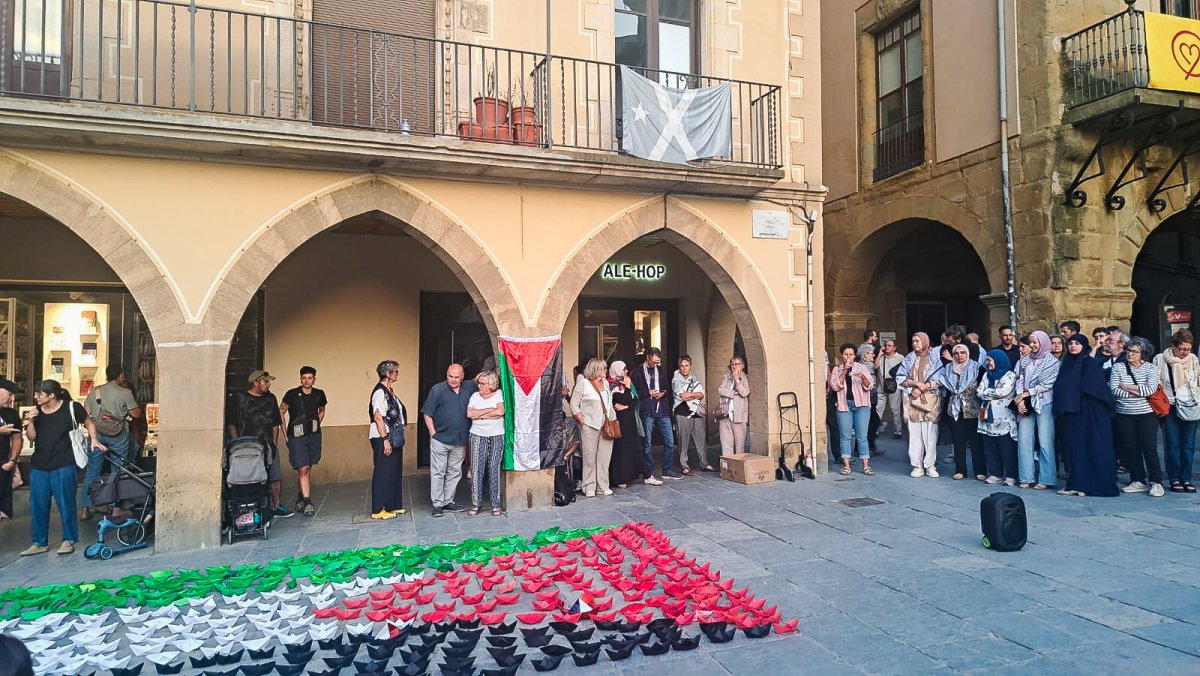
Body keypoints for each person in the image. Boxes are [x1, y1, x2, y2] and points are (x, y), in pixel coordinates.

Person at [20, 380, 93, 556]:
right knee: (38, 505)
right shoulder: (37, 412)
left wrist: (94, 440)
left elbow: (89, 422)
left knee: (65, 503)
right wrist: (31, 421)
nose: (36, 396)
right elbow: (32, 437)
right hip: (39, 463)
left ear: (51, 395)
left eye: (39, 393)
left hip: (64, 462)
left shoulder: (71, 407)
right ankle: (39, 542)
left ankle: (69, 540)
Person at [1054, 334, 1118, 497]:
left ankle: (1091, 485)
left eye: (1077, 343)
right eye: (1070, 343)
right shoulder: (1067, 363)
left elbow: (1096, 388)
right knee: (1074, 449)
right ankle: (1076, 484)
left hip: (1089, 413)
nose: (1073, 346)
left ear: (1084, 346)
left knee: (1089, 446)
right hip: (1071, 413)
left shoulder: (1088, 362)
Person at [226, 370, 292, 518]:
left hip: (267, 444)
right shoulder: (240, 399)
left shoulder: (270, 398)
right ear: (256, 382)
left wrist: (274, 443)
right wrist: (237, 443)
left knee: (275, 477)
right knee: (249, 478)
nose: (268, 384)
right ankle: (249, 508)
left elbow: (276, 422)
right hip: (246, 447)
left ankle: (276, 506)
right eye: (265, 381)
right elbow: (231, 424)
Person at [80, 364, 142, 521]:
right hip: (118, 435)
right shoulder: (125, 393)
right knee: (118, 470)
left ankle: (86, 509)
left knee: (93, 470)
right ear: (121, 376)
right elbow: (135, 414)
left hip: (97, 434)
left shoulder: (96, 391)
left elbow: (85, 412)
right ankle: (116, 509)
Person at [1109, 337, 1165, 497]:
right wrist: (1138, 390)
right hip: (1124, 415)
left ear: (1143, 354)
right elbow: (1114, 390)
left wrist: (1126, 386)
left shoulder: (1150, 368)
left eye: (1135, 352)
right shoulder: (1118, 367)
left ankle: (1156, 482)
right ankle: (1137, 480)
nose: (1130, 354)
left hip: (1146, 414)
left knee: (1149, 447)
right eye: (1129, 350)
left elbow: (1150, 391)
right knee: (1131, 448)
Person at [421, 363, 477, 517]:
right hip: (440, 439)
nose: (452, 380)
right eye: (450, 376)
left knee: (454, 472)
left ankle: (448, 501)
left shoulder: (470, 387)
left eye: (456, 377)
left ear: (462, 376)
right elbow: (427, 413)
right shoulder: (437, 390)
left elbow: (484, 380)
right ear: (446, 375)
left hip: (459, 440)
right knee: (438, 472)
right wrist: (433, 433)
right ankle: (438, 504)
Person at [1154, 329, 1200, 494]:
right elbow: (1156, 383)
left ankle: (1186, 477)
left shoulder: (1193, 359)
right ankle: (1174, 478)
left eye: (1188, 349)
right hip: (1170, 405)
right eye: (1181, 349)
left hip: (1190, 404)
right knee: (1173, 445)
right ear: (1173, 346)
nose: (1184, 352)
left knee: (1188, 446)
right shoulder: (1160, 359)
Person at [1014, 330, 1060, 490]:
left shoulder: (1052, 362)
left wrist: (1027, 393)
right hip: (1026, 402)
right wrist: (1020, 396)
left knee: (1045, 440)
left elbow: (1047, 384)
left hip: (1043, 402)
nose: (1032, 345)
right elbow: (1019, 378)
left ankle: (1046, 478)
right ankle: (1026, 476)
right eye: (1031, 342)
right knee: (1024, 439)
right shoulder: (1025, 359)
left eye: (1035, 342)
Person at [279, 366, 327, 517]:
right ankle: (307, 502)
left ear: (314, 379)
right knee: (303, 468)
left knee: (307, 467)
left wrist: (316, 423)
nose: (307, 381)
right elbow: (281, 411)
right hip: (296, 435)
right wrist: (285, 433)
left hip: (313, 436)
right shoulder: (291, 394)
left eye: (309, 378)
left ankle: (300, 498)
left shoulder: (319, 394)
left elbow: (322, 409)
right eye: (304, 378)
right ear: (300, 378)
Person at [935, 344, 985, 481]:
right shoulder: (948, 369)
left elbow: (983, 385)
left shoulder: (977, 368)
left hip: (973, 408)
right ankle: (960, 470)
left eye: (963, 352)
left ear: (967, 354)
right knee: (958, 440)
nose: (959, 355)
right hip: (955, 409)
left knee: (976, 441)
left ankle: (979, 470)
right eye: (956, 353)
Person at [896, 332, 942, 477]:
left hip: (931, 401)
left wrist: (926, 386)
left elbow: (942, 378)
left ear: (925, 341)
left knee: (930, 435)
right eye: (913, 341)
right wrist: (915, 385)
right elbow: (900, 377)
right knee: (915, 435)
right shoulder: (909, 358)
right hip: (913, 401)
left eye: (917, 341)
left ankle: (930, 465)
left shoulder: (935, 358)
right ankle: (917, 465)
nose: (915, 343)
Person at [630, 347, 679, 480]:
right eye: (653, 362)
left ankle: (667, 469)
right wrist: (648, 393)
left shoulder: (660, 369)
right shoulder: (637, 372)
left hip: (662, 409)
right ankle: (649, 471)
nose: (656, 365)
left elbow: (666, 387)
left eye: (658, 362)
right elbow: (633, 393)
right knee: (647, 444)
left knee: (670, 441)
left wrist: (663, 393)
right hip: (647, 410)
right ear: (647, 358)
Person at [570, 357, 616, 498]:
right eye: (603, 368)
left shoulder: (606, 383)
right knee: (589, 457)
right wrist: (580, 417)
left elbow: (608, 403)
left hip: (606, 424)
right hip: (589, 425)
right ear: (595, 369)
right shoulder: (583, 383)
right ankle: (589, 486)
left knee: (604, 457)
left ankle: (602, 485)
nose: (606, 371)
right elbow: (573, 403)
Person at [828, 343, 875, 476]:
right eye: (846, 354)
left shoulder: (862, 367)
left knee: (862, 437)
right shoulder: (837, 369)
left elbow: (870, 385)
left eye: (851, 354)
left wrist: (863, 377)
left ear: (855, 356)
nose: (848, 357)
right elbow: (835, 386)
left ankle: (866, 466)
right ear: (842, 355)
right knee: (845, 436)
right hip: (844, 405)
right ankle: (846, 465)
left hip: (862, 405)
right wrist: (844, 371)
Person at [368, 360, 407, 520]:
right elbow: (378, 417)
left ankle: (393, 505)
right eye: (395, 371)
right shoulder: (379, 392)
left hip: (395, 435)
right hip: (382, 436)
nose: (397, 374)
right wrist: (385, 439)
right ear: (388, 374)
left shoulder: (390, 390)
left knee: (394, 471)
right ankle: (378, 508)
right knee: (383, 472)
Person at [466, 371, 505, 516]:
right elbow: (470, 414)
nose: (479, 386)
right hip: (477, 434)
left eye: (483, 384)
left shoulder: (499, 393)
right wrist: (491, 412)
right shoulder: (475, 396)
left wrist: (480, 414)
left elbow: (500, 411)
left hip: (496, 435)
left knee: (494, 468)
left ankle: (496, 504)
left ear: (491, 384)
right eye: (479, 383)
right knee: (477, 468)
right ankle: (476, 503)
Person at [977, 350, 1019, 486]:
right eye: (987, 360)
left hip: (1004, 418)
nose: (988, 363)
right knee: (990, 447)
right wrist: (989, 393)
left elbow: (1003, 391)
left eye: (990, 360)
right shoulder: (986, 375)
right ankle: (995, 473)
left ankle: (1011, 475)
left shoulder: (1010, 375)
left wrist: (986, 392)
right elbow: (979, 391)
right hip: (987, 418)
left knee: (1006, 447)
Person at [608, 361, 649, 488]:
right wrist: (626, 388)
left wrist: (626, 405)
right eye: (623, 370)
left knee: (633, 448)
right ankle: (621, 478)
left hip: (630, 421)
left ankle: (638, 475)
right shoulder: (612, 385)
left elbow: (635, 400)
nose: (625, 372)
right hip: (620, 422)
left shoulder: (624, 384)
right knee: (621, 450)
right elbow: (624, 398)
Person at [672, 355, 711, 474]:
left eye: (686, 366)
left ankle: (704, 463)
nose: (684, 368)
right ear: (679, 367)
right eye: (682, 366)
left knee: (700, 438)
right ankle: (684, 465)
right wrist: (694, 394)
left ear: (690, 366)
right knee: (683, 440)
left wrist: (691, 394)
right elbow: (682, 395)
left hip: (696, 412)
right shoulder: (676, 379)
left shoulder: (694, 378)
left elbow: (701, 394)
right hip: (682, 412)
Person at [718, 356, 751, 455]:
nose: (734, 366)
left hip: (739, 416)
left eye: (737, 364)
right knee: (726, 445)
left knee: (740, 447)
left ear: (742, 366)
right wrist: (733, 393)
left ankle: (738, 469)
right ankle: (727, 470)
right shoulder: (726, 377)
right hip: (725, 414)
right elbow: (720, 390)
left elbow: (745, 393)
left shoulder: (746, 378)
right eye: (732, 364)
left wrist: (737, 379)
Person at [0, 379, 23, 521]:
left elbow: (17, 438)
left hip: (3, 464)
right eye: (10, 394)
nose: (13, 398)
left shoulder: (11, 414)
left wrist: (12, 461)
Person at [875, 338, 905, 439]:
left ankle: (898, 431)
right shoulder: (881, 357)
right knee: (878, 409)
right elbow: (875, 366)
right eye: (886, 345)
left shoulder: (900, 358)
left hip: (894, 386)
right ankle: (876, 430)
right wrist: (879, 355)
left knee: (895, 409)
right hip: (881, 386)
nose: (887, 347)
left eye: (890, 345)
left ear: (894, 347)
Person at [857, 343, 883, 455]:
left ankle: (870, 446)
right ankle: (864, 448)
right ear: (865, 355)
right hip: (867, 398)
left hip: (870, 398)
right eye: (871, 353)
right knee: (872, 422)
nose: (873, 355)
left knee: (870, 422)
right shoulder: (865, 366)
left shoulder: (868, 364)